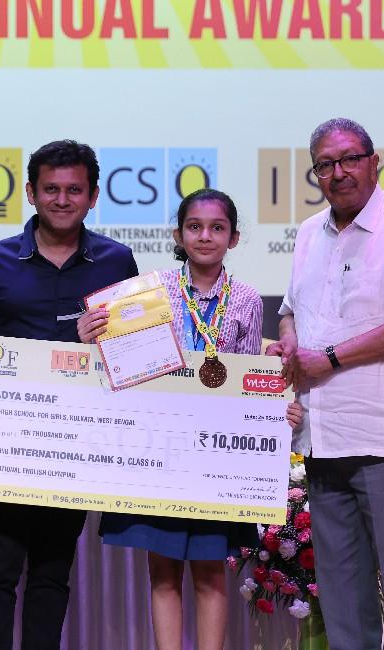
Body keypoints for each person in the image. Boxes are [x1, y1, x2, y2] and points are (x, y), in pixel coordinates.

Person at [83, 188, 304, 650]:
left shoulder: (246, 298)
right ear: (178, 236)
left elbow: (247, 380)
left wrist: (275, 408)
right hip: (159, 445)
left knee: (210, 573)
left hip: (214, 454)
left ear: (234, 238)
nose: (206, 236)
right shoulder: (152, 290)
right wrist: (92, 336)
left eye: (217, 228)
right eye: (195, 227)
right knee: (162, 573)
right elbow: (126, 361)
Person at [267, 118, 384, 650]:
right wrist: (290, 341)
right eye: (325, 164)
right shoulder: (308, 233)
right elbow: (289, 311)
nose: (339, 172)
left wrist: (329, 358)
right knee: (343, 597)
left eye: (350, 158)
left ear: (374, 163)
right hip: (324, 439)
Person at [0, 139, 139, 650]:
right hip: (4, 441)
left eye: (74, 190)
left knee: (52, 573)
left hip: (77, 442)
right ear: (31, 193)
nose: (63, 200)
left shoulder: (117, 261)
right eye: (51, 189)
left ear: (93, 195)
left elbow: (134, 350)